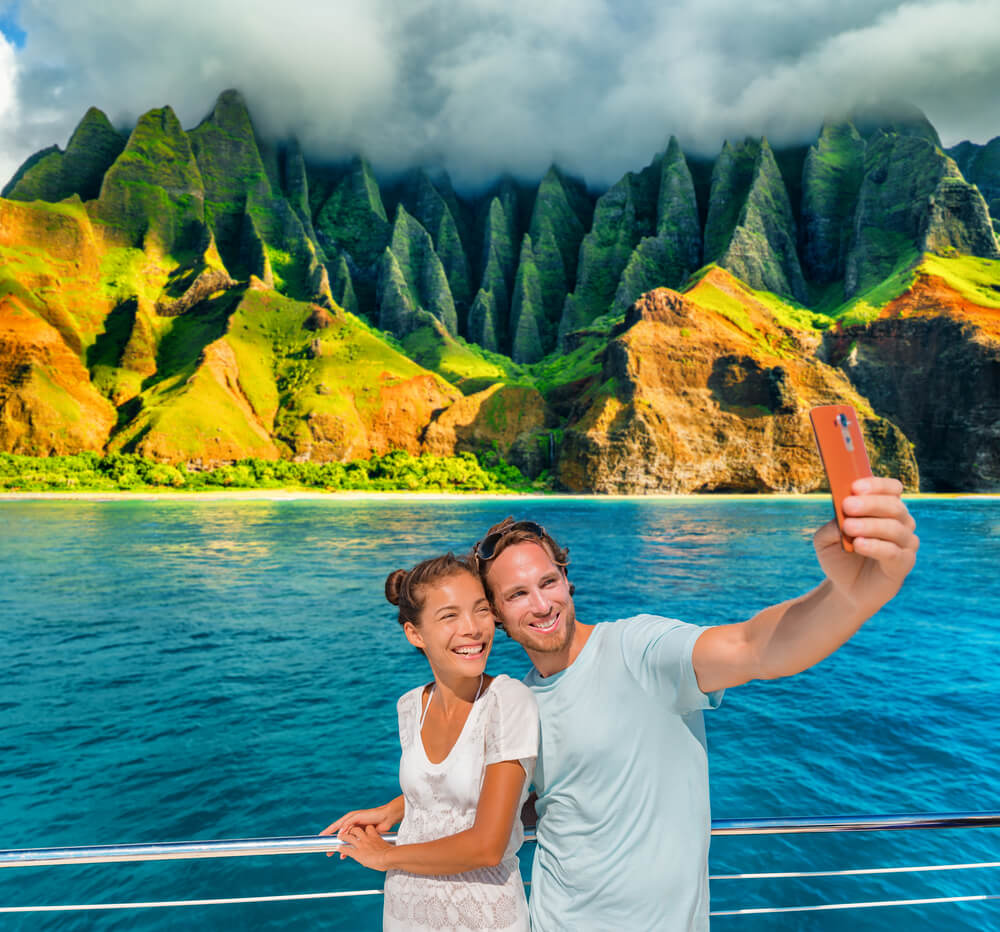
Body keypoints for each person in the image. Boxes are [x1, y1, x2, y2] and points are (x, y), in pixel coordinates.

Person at [472, 477, 920, 931]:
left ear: (567, 581)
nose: (542, 604)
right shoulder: (516, 702)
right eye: (517, 594)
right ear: (496, 614)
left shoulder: (637, 650)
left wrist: (855, 595)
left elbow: (754, 647)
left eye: (548, 582)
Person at [321, 552, 539, 931]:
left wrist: (386, 856)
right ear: (415, 633)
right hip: (406, 911)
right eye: (449, 616)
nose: (472, 628)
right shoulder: (410, 707)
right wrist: (395, 809)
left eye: (481, 610)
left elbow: (487, 846)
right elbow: (451, 782)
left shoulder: (507, 701)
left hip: (483, 918)